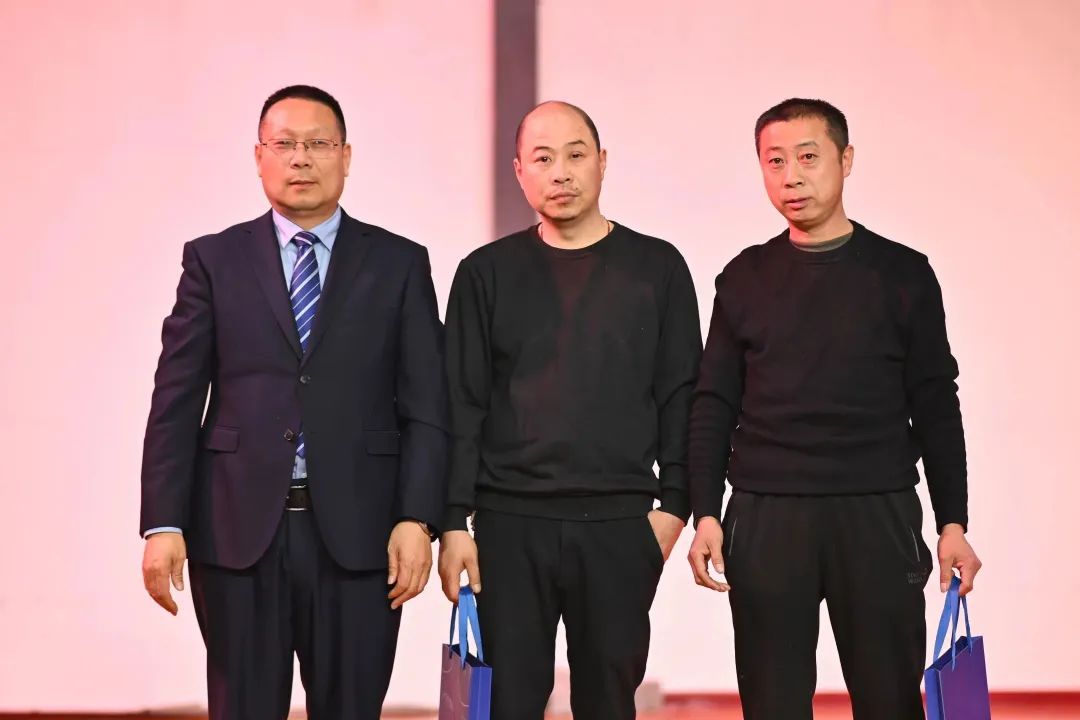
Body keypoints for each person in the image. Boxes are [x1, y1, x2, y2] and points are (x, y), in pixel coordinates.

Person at [139, 84, 448, 720]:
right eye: (284, 144)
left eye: (318, 144)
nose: (301, 158)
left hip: (361, 537)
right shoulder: (214, 260)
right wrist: (163, 521)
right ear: (259, 157)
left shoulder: (398, 263)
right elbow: (175, 399)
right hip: (237, 532)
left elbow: (427, 407)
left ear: (346, 156)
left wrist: (418, 518)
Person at [687, 97, 983, 719]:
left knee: (889, 700)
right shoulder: (743, 278)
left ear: (846, 160)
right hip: (766, 513)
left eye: (808, 157)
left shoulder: (903, 274)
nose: (791, 176)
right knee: (772, 703)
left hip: (875, 511)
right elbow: (714, 401)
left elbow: (936, 403)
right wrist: (706, 511)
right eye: (774, 161)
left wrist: (952, 522)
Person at [437, 100, 702, 719]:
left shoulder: (657, 268)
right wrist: (451, 521)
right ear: (519, 172)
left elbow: (682, 396)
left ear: (602, 162)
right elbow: (461, 404)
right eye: (542, 158)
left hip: (619, 525)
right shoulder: (485, 273)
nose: (560, 172)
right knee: (507, 703)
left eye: (575, 155)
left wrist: (673, 509)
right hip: (508, 524)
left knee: (609, 700)